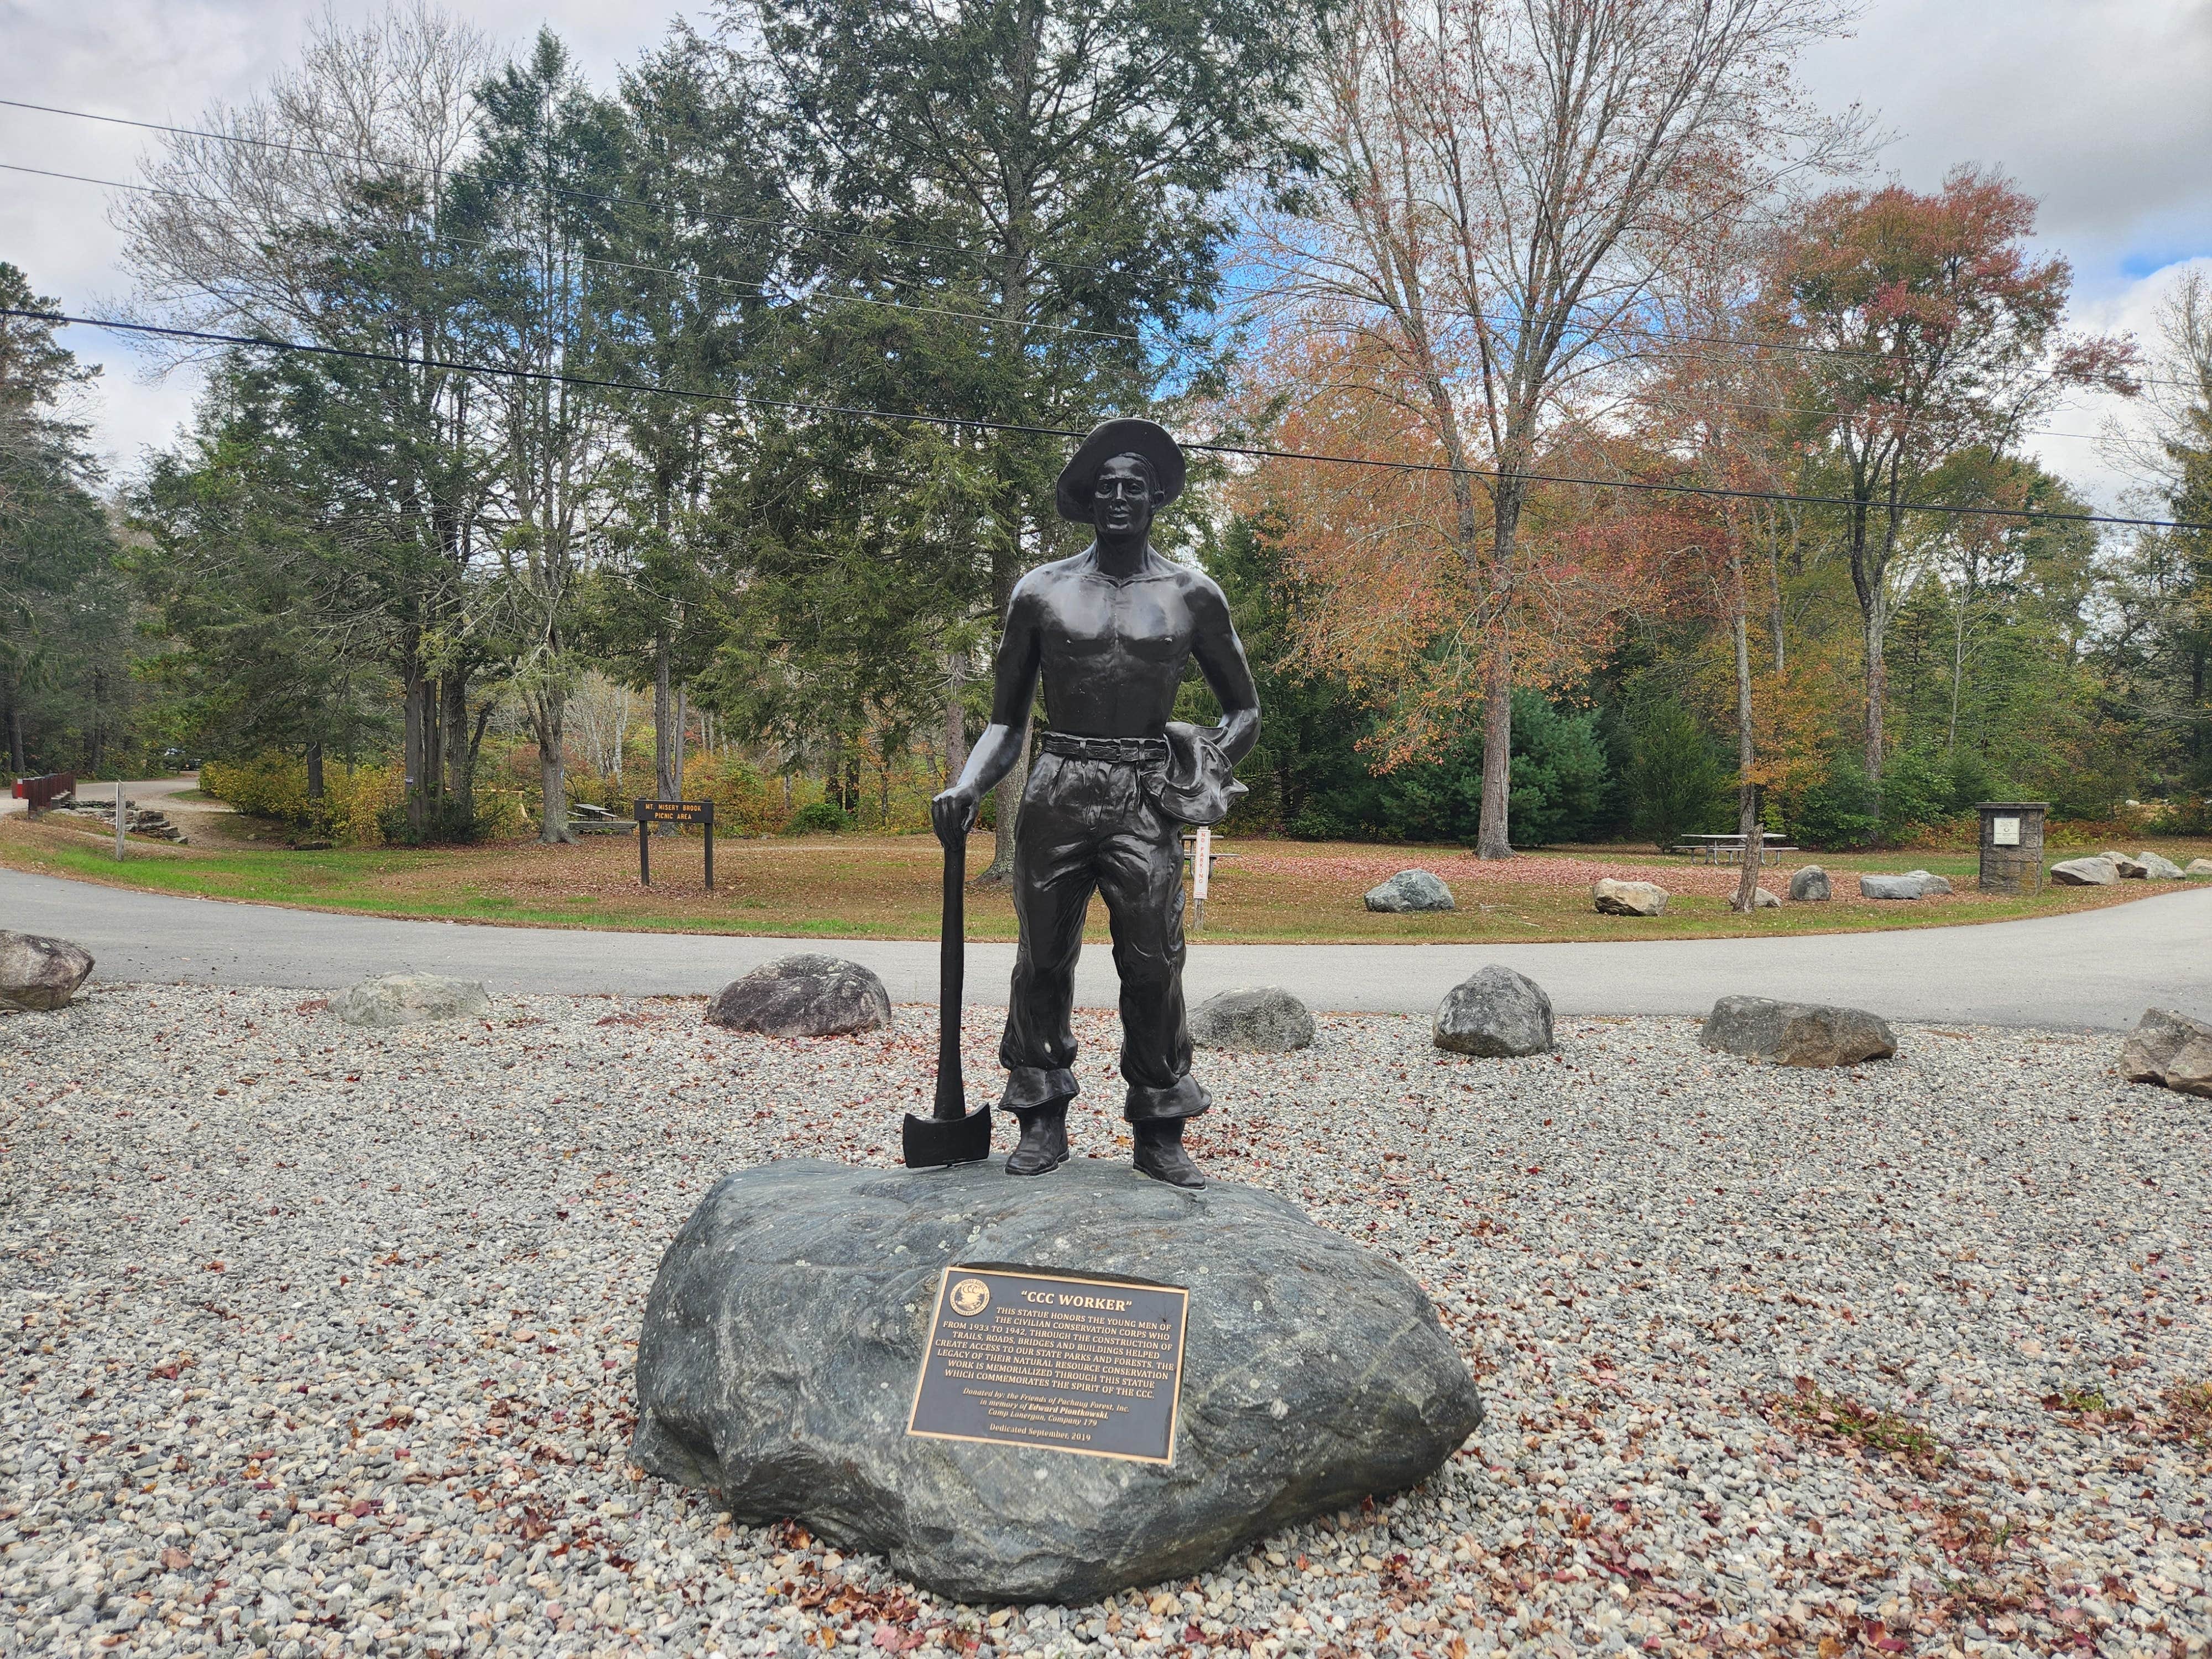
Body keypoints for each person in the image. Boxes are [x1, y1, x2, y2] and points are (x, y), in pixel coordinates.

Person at [931, 419, 1260, 1188]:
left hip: (1145, 795)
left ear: (1156, 498)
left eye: (1132, 486)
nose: (1118, 496)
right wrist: (968, 785)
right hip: (1058, 785)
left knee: (1154, 962)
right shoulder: (1041, 592)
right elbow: (1006, 723)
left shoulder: (1192, 595)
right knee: (1042, 958)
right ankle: (1041, 1112)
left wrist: (1200, 770)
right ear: (1087, 497)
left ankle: (1160, 1121)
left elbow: (1244, 710)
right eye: (1106, 485)